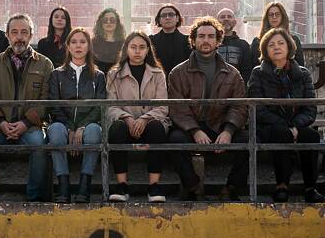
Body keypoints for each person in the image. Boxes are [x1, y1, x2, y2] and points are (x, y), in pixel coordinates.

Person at [0, 13, 53, 202]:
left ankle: (34, 197)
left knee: (39, 146)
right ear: (7, 35)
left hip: (31, 125)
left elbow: (46, 99)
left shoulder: (44, 64)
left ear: (31, 35)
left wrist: (24, 123)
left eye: (24, 32)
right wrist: (1, 123)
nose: (19, 37)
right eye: (14, 32)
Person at [168, 17, 249, 201]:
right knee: (174, 139)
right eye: (201, 36)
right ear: (193, 40)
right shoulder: (178, 73)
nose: (206, 40)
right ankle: (192, 186)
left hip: (220, 126)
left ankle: (231, 187)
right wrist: (195, 130)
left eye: (211, 36)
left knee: (248, 140)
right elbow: (177, 107)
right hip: (191, 127)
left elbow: (239, 105)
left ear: (218, 40)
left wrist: (228, 131)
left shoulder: (232, 73)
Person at [247, 27, 325, 204]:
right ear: (265, 50)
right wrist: (286, 126)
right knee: (281, 134)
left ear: (289, 47)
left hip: (298, 125)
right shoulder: (258, 73)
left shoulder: (302, 74)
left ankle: (310, 187)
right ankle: (281, 185)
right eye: (271, 45)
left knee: (311, 136)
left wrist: (296, 125)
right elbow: (257, 108)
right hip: (270, 126)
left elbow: (310, 108)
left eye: (281, 43)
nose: (276, 47)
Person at [106, 31, 169, 203]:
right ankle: (122, 185)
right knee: (116, 129)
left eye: (142, 47)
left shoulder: (157, 73)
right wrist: (127, 118)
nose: (137, 51)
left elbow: (162, 106)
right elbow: (110, 106)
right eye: (133, 47)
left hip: (150, 123)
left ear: (148, 50)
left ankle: (154, 186)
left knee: (157, 128)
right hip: (125, 123)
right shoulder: (114, 74)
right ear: (126, 49)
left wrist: (144, 119)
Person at [48, 28, 106, 204]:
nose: (78, 46)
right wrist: (69, 128)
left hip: (87, 127)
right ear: (68, 46)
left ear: (88, 46)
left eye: (82, 42)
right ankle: (63, 184)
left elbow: (99, 106)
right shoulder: (57, 74)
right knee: (55, 130)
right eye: (73, 42)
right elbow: (54, 105)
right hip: (64, 125)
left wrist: (81, 127)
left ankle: (84, 184)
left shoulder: (98, 76)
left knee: (95, 130)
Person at [250, 2, 304, 68]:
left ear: (283, 17)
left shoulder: (294, 40)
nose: (274, 17)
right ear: (267, 18)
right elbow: (254, 66)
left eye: (277, 14)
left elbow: (300, 67)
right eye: (271, 15)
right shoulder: (257, 41)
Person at [149, 3, 190, 77]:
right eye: (163, 15)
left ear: (177, 18)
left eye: (171, 14)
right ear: (159, 20)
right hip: (157, 82)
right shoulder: (151, 41)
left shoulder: (187, 41)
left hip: (181, 82)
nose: (167, 17)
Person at [216, 7, 253, 83]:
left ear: (235, 22)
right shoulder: (211, 44)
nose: (226, 19)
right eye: (222, 17)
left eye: (229, 17)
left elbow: (247, 71)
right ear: (216, 22)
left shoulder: (243, 45)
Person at [92, 7, 126, 74]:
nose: (108, 22)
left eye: (112, 20)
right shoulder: (93, 43)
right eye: (105, 20)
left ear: (117, 23)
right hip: (98, 78)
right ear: (101, 23)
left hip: (118, 78)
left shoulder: (124, 43)